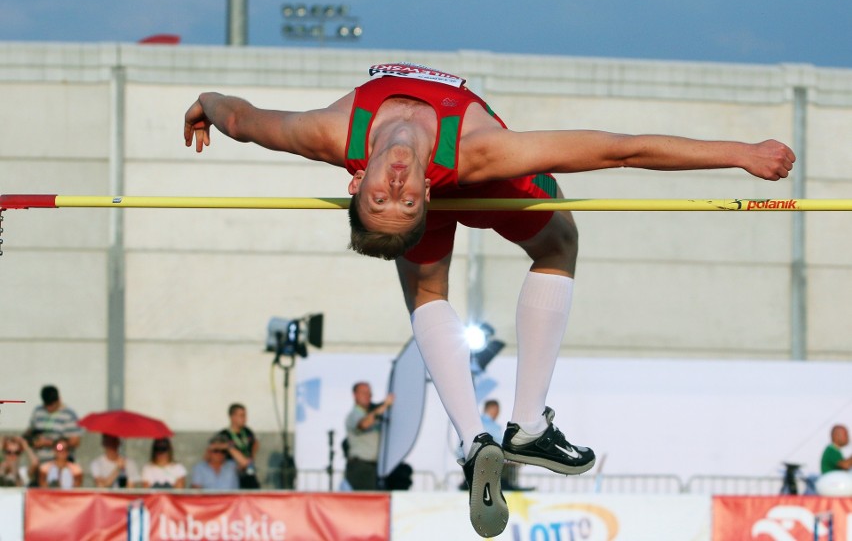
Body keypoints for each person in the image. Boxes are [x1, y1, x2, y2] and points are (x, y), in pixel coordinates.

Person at [184, 62, 795, 537]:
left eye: (384, 199)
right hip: (477, 174)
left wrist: (204, 104)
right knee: (558, 243)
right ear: (422, 192)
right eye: (401, 202)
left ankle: (488, 436)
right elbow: (619, 148)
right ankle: (516, 428)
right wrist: (738, 154)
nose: (395, 189)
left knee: (433, 283)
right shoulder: (478, 149)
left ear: (355, 181)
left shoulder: (328, 133)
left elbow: (241, 118)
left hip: (467, 179)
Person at [344, 382, 394, 490]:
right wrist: (384, 406)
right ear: (355, 395)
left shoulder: (372, 414)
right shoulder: (354, 415)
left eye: (369, 393)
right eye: (363, 393)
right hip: (361, 467)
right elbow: (363, 424)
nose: (368, 396)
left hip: (374, 467)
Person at [24, 385, 82, 464]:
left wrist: (49, 443)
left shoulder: (69, 415)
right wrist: (33, 441)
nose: (49, 408)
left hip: (60, 462)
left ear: (58, 400)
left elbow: (75, 442)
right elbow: (29, 431)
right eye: (46, 405)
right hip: (39, 461)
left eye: (51, 405)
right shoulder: (38, 411)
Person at [216, 403, 260, 489]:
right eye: (241, 416)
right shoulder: (224, 434)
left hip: (248, 473)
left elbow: (255, 443)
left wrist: (252, 457)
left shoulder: (247, 432)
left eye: (245, 416)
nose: (245, 419)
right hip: (232, 475)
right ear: (232, 417)